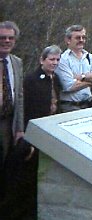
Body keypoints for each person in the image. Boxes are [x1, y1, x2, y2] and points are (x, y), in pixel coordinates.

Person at [9, 45, 62, 219]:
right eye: (51, 59)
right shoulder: (31, 80)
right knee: (25, 176)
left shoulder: (56, 79)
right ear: (42, 60)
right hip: (32, 134)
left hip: (49, 132)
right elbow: (24, 108)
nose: (54, 63)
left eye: (57, 60)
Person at [0, 21, 24, 200]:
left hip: (8, 124)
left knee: (6, 166)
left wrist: (19, 128)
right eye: (2, 38)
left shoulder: (16, 63)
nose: (7, 41)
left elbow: (20, 96)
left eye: (10, 38)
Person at [55, 24, 92, 112]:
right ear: (68, 40)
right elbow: (68, 86)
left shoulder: (89, 57)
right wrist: (90, 82)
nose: (81, 40)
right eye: (78, 38)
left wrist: (81, 77)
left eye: (83, 37)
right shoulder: (63, 60)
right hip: (69, 107)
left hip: (87, 105)